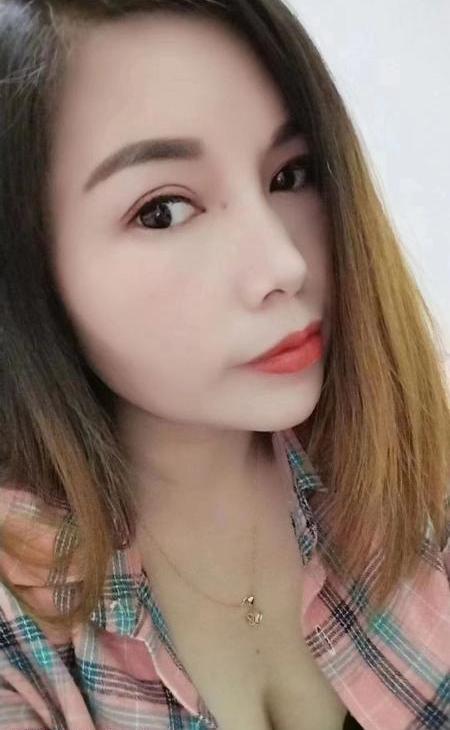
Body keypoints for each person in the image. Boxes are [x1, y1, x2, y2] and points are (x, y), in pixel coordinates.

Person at [0, 1, 448, 728]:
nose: (284, 263)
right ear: (27, 268)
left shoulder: (405, 474)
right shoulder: (21, 628)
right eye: (164, 211)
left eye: (290, 174)